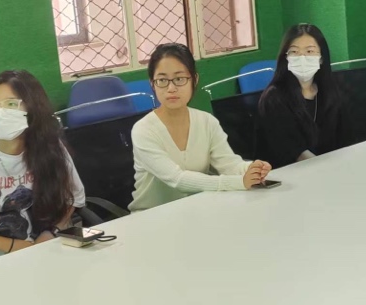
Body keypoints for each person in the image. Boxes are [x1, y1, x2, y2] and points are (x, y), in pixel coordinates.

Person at [0, 70, 86, 265]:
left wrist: (49, 234)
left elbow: (71, 199)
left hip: (45, 254)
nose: (0, 112)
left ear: (33, 109)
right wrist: (10, 245)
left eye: (11, 104)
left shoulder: (52, 151)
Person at [129, 43, 271, 212]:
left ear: (194, 80)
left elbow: (229, 165)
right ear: (152, 84)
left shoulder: (207, 122)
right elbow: (177, 179)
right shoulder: (143, 130)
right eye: (162, 80)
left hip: (196, 210)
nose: (171, 88)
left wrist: (252, 169)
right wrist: (239, 182)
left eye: (179, 79)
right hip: (150, 217)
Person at [258, 24, 352, 168]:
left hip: (330, 167)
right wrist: (326, 169)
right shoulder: (274, 97)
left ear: (321, 58)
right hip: (291, 172)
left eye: (309, 51)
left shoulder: (330, 90)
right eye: (294, 52)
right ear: (286, 57)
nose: (302, 57)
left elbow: (345, 137)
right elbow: (294, 151)